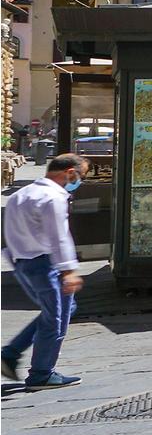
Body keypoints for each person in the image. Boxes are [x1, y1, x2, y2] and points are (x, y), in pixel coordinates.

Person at [2, 154, 87, 388]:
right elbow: (59, 237)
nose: (80, 181)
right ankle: (41, 373)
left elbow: (8, 233)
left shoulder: (19, 195)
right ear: (70, 173)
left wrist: (16, 261)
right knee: (55, 320)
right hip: (46, 264)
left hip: (23, 262)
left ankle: (11, 353)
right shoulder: (53, 198)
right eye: (81, 176)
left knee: (62, 310)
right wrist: (68, 270)